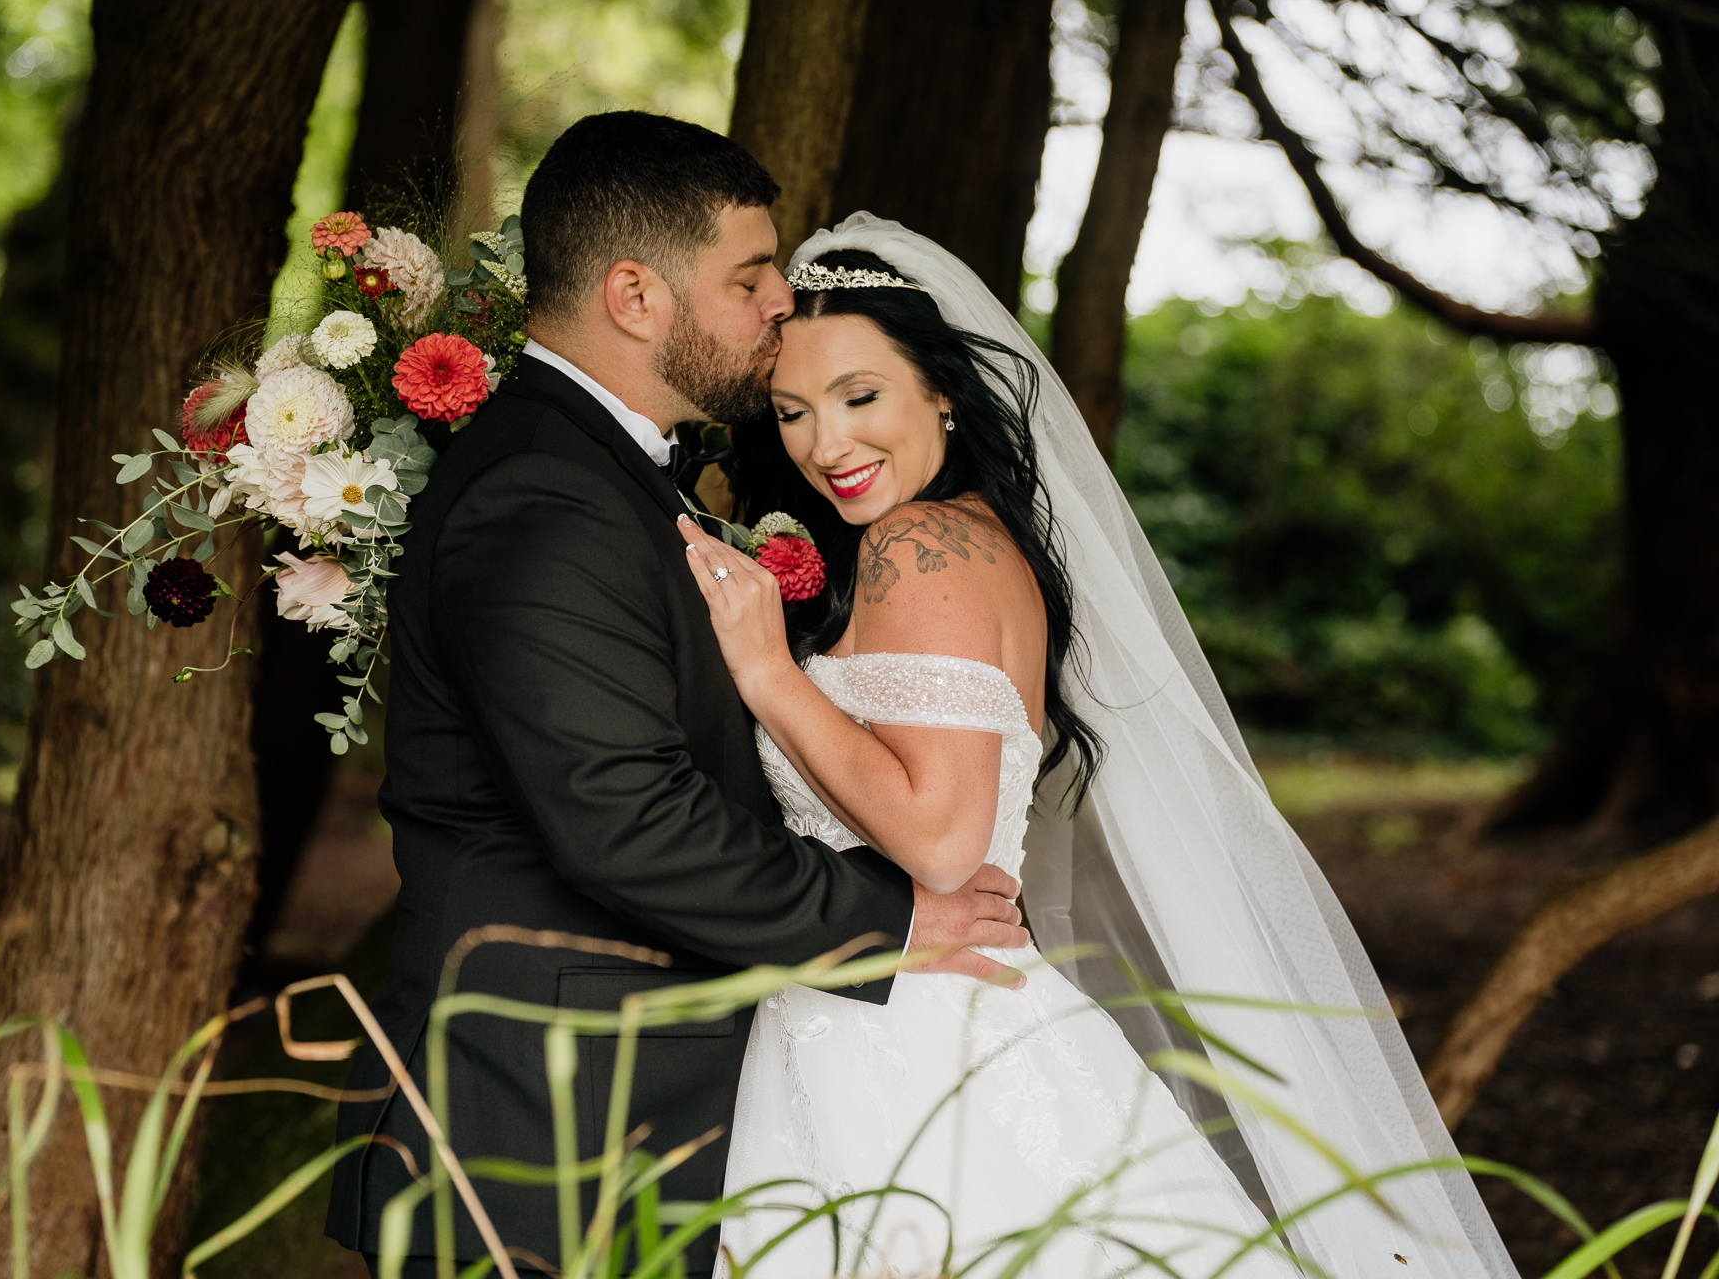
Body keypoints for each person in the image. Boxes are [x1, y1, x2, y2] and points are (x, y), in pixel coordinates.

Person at [677, 217, 1518, 1278]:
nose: (825, 444)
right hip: (911, 1013)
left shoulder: (918, 547)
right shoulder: (975, 538)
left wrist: (766, 674)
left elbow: (940, 839)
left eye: (860, 396)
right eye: (792, 411)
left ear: (941, 389)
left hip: (912, 1046)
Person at [324, 115, 1028, 1279]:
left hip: (631, 1100)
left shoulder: (608, 474)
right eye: (751, 279)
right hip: (542, 1122)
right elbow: (625, 817)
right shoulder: (543, 496)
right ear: (637, 295)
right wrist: (893, 919)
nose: (778, 310)